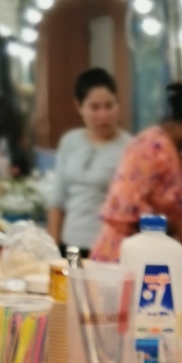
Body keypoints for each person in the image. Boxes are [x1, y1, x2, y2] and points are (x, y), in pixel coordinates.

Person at [91, 80, 182, 262]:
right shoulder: (150, 148)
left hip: (151, 263)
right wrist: (174, 227)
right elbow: (123, 213)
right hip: (120, 260)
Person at [45, 67, 130, 254]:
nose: (103, 115)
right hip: (69, 245)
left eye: (109, 105)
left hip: (109, 250)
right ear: (79, 107)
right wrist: (51, 250)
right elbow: (57, 200)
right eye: (94, 107)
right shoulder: (70, 141)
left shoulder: (130, 149)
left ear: (118, 103)